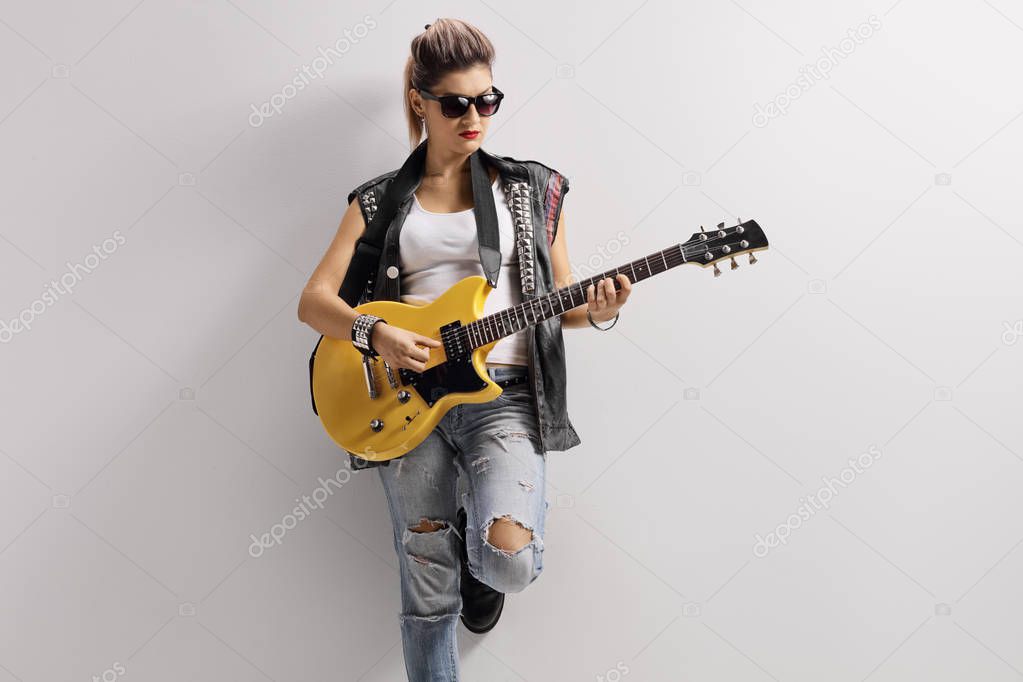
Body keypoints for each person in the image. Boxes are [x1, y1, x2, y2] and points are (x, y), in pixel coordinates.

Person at [297, 18, 631, 681]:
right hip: (405, 403)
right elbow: (314, 303)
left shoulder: (530, 190)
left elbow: (557, 305)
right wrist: (377, 333)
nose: (474, 116)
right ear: (420, 101)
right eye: (455, 103)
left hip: (502, 396)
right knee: (425, 587)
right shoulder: (377, 202)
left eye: (487, 100)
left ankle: (476, 553)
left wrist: (597, 313)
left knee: (507, 559)